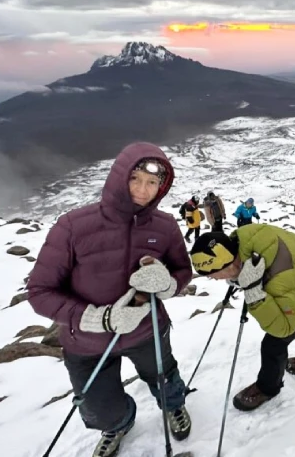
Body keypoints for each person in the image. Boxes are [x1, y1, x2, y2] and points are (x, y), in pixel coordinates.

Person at [27, 142, 194, 457]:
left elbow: (182, 270)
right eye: (135, 179)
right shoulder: (73, 226)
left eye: (152, 182)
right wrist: (99, 319)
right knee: (98, 406)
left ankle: (173, 406)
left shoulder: (165, 226)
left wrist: (168, 284)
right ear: (119, 177)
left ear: (162, 186)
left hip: (146, 332)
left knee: (165, 376)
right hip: (86, 342)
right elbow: (40, 291)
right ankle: (117, 423)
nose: (143, 190)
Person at [189, 224, 295, 411]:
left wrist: (254, 292)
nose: (214, 279)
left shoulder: (277, 276)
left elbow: (284, 327)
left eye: (213, 274)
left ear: (230, 263)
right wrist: (240, 277)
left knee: (274, 343)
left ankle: (268, 388)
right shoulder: (244, 241)